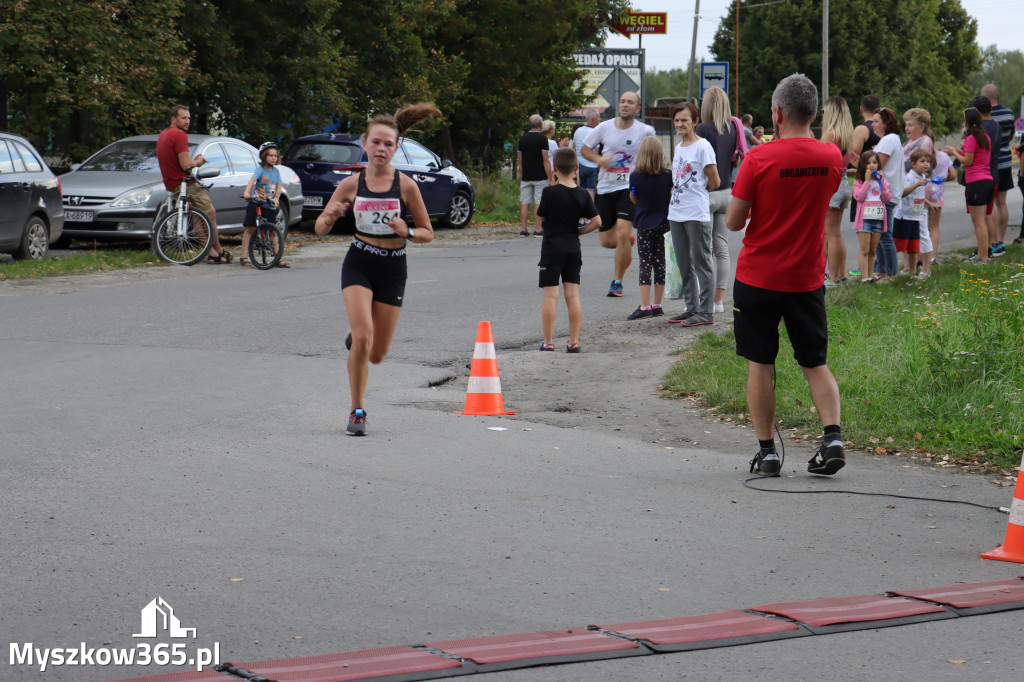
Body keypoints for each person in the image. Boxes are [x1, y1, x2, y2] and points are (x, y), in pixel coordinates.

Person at [724, 73, 845, 478]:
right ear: (813, 112)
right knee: (815, 363)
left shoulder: (759, 158)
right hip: (806, 279)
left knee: (760, 364)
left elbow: (734, 223)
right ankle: (832, 438)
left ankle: (768, 453)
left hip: (758, 276)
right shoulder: (831, 157)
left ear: (777, 113)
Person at [314, 104, 438, 436]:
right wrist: (332, 214)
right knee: (366, 337)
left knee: (377, 353)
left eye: (389, 144)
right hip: (360, 262)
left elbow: (427, 232)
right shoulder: (350, 184)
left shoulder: (407, 186)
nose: (381, 149)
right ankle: (357, 410)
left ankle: (358, 337)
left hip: (393, 268)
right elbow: (319, 228)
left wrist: (407, 232)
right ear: (364, 143)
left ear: (396, 148)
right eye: (376, 142)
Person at [581, 91, 656, 297]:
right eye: (622, 101)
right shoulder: (604, 128)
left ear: (637, 109)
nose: (625, 105)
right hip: (605, 188)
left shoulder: (646, 131)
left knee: (622, 232)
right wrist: (599, 161)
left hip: (630, 188)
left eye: (630, 102)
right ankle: (626, 244)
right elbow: (585, 149)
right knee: (606, 241)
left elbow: (654, 154)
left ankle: (617, 282)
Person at [536, 147, 601, 352]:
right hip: (573, 248)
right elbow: (597, 221)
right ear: (576, 168)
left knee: (550, 296)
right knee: (572, 295)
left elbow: (541, 215)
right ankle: (573, 341)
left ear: (554, 167)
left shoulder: (549, 192)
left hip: (552, 248)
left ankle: (548, 342)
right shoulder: (582, 194)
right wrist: (579, 232)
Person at [666, 102, 720, 327]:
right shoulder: (679, 147)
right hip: (676, 212)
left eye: (684, 120)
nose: (680, 124)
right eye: (677, 120)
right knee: (683, 263)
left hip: (696, 213)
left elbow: (715, 181)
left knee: (701, 262)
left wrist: (696, 192)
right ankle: (691, 307)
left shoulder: (703, 147)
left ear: (695, 122)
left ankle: (706, 311)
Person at [156, 104, 231, 263]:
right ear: (173, 118)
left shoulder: (163, 135)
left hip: (172, 184)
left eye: (188, 118)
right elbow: (186, 165)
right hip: (186, 184)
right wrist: (198, 161)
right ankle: (218, 251)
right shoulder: (179, 135)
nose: (187, 121)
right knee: (210, 216)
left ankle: (211, 252)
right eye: (183, 118)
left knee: (198, 218)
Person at [695, 87, 738, 313]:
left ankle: (705, 299)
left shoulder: (702, 128)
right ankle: (718, 300)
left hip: (706, 193)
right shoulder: (732, 129)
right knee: (721, 248)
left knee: (704, 249)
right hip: (726, 193)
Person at [626, 136, 673, 321]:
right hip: (664, 222)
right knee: (660, 262)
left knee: (645, 262)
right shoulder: (667, 175)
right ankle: (657, 304)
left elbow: (633, 198)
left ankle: (644, 305)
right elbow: (670, 195)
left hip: (644, 224)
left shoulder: (635, 176)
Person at [944, 107, 993, 264]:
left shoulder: (972, 138)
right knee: (981, 220)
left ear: (967, 122)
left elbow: (967, 161)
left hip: (976, 181)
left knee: (978, 222)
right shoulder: (985, 137)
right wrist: (959, 150)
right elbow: (973, 156)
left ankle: (983, 257)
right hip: (986, 180)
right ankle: (982, 254)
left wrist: (954, 153)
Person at [820, 96, 854, 286]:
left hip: (831, 183)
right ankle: (839, 274)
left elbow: (820, 159)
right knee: (836, 232)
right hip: (842, 181)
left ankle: (832, 276)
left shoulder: (831, 134)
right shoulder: (847, 135)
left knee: (829, 233)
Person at [240, 142, 289, 268]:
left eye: (275, 156)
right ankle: (244, 256)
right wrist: (246, 192)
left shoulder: (276, 171)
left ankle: (277, 256)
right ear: (264, 157)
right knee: (250, 229)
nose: (273, 158)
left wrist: (277, 198)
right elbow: (252, 181)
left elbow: (278, 187)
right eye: (270, 155)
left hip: (269, 204)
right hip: (257, 203)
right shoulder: (260, 170)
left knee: (272, 231)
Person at [982, 84, 1014, 255]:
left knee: (990, 204)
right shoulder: (1009, 113)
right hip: (1006, 162)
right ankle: (1001, 240)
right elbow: (1010, 136)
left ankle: (993, 241)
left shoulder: (984, 117)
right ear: (998, 95)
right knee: (1002, 203)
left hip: (991, 163)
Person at [871, 107, 903, 281]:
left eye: (876, 121)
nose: (873, 125)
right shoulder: (891, 140)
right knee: (879, 232)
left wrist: (861, 166)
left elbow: (877, 165)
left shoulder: (888, 140)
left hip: (885, 193)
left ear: (886, 123)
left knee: (884, 234)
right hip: (886, 192)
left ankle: (891, 273)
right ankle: (882, 271)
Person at [851, 151, 891, 283]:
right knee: (865, 250)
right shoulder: (859, 181)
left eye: (874, 162)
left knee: (873, 250)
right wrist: (867, 181)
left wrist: (883, 182)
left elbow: (886, 198)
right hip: (864, 220)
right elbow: (859, 197)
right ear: (863, 165)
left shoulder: (882, 181)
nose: (872, 165)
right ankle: (865, 277)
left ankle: (870, 274)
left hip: (878, 219)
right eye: (868, 163)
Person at [892, 148, 933, 277]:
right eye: (922, 161)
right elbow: (903, 193)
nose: (926, 164)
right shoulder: (909, 178)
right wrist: (917, 184)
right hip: (905, 216)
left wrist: (928, 202)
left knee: (919, 241)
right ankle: (899, 269)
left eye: (928, 161)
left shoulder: (923, 176)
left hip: (918, 213)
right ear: (913, 164)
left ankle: (920, 270)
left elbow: (917, 196)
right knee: (901, 243)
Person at [848, 95, 882, 243]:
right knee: (879, 227)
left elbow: (854, 155)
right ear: (879, 109)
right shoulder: (884, 129)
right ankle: (877, 262)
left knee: (864, 225)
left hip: (864, 183)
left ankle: (867, 262)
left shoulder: (862, 129)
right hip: (881, 181)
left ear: (861, 109)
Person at [973, 95, 1003, 256]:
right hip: (994, 173)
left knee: (980, 218)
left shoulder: (978, 128)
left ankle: (983, 251)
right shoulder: (998, 126)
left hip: (980, 175)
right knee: (988, 213)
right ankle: (991, 246)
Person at [518, 114, 551, 237]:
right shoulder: (542, 139)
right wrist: (550, 177)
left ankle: (523, 229)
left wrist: (522, 176)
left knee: (525, 202)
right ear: (541, 125)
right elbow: (545, 160)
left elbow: (520, 160)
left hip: (526, 176)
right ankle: (537, 229)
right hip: (540, 176)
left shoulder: (523, 139)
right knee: (538, 202)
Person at [925, 140, 955, 264]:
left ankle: (921, 257)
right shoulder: (944, 156)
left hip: (923, 188)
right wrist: (942, 180)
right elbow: (953, 174)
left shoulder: (922, 155)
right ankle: (933, 256)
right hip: (937, 190)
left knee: (921, 225)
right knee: (934, 226)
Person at [573, 112, 600, 199]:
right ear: (593, 119)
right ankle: (590, 210)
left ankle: (580, 209)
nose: (600, 120)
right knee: (590, 190)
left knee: (580, 189)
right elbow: (597, 151)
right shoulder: (595, 132)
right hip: (592, 166)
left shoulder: (578, 130)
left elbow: (574, 148)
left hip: (580, 165)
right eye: (598, 117)